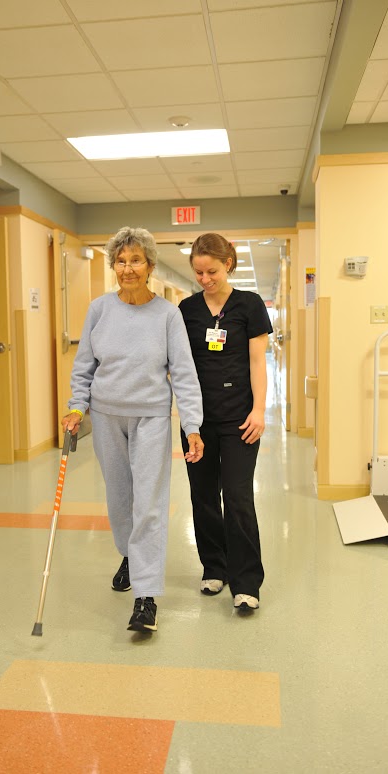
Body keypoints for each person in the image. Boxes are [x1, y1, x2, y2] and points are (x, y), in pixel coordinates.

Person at [61, 226, 204, 634]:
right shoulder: (100, 309)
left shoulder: (167, 314)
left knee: (150, 504)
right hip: (107, 415)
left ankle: (146, 597)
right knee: (120, 498)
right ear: (113, 266)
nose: (128, 268)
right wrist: (77, 406)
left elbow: (184, 373)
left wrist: (192, 425)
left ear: (150, 266)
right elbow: (84, 364)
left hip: (151, 418)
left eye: (136, 260)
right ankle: (129, 554)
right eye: (120, 261)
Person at [178, 233, 272, 612]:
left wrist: (260, 410)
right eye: (198, 272)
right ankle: (213, 567)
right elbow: (180, 367)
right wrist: (188, 423)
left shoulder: (248, 305)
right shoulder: (186, 310)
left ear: (228, 264)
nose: (204, 279)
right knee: (202, 497)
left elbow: (257, 362)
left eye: (211, 271)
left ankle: (247, 581)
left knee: (237, 497)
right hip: (197, 420)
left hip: (239, 418)